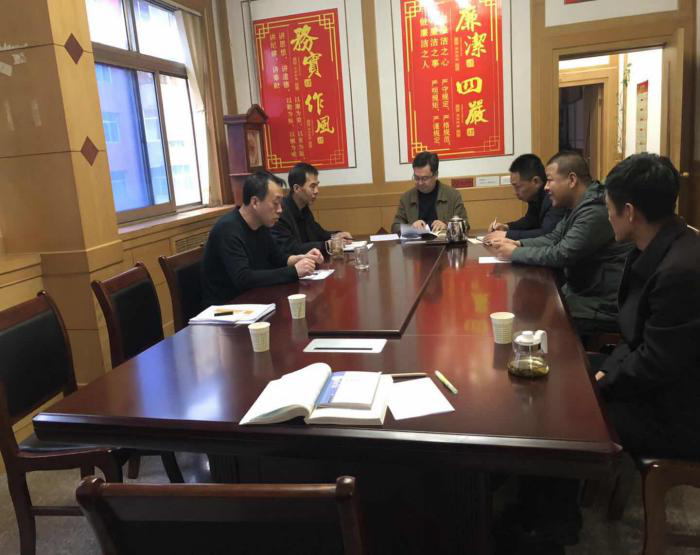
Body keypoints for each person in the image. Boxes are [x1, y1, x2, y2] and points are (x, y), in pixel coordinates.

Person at [593, 153, 700, 457]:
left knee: (569, 418)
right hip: (655, 382)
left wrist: (603, 385)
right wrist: (607, 371)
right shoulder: (659, 244)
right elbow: (637, 338)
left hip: (676, 413)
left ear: (628, 212)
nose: (608, 217)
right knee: (565, 377)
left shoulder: (680, 271)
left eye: (608, 209)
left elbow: (656, 362)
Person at [488, 151, 631, 334]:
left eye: (550, 180)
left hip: (601, 302)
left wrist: (514, 253)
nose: (546, 187)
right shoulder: (577, 206)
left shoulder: (594, 211)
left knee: (543, 312)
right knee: (541, 304)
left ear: (572, 180)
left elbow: (562, 254)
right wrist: (518, 243)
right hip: (583, 290)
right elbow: (553, 238)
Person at [201, 171, 323, 306]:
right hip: (227, 307)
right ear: (255, 202)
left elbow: (278, 259)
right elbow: (243, 278)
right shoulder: (227, 229)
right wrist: (294, 271)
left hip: (255, 300)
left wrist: (300, 258)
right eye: (275, 203)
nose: (280, 210)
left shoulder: (261, 225)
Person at [272, 162, 352, 255]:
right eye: (312, 186)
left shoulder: (304, 208)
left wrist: (337, 236)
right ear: (297, 188)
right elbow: (290, 248)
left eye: (317, 185)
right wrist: (327, 245)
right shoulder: (280, 212)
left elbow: (319, 234)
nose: (317, 191)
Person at [484, 153, 565, 242]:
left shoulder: (553, 196)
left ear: (536, 182)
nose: (515, 193)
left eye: (517, 187)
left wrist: (507, 235)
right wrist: (506, 227)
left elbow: (547, 234)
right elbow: (530, 221)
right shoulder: (535, 196)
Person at [391, 151, 468, 234]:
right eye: (416, 178)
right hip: (416, 242)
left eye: (424, 178)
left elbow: (465, 225)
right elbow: (395, 227)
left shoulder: (453, 195)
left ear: (436, 175)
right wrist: (411, 227)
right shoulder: (406, 198)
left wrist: (447, 226)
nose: (420, 183)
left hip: (443, 242)